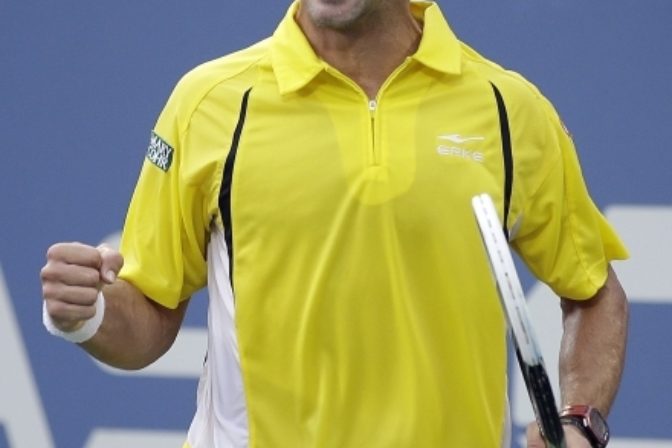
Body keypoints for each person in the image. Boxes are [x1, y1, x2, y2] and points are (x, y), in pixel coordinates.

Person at [40, 1, 629, 447]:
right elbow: (150, 312)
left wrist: (579, 419)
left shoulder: (509, 109)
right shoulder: (208, 103)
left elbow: (593, 293)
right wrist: (89, 313)